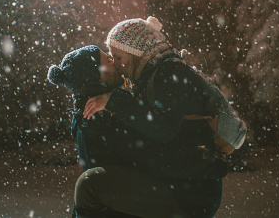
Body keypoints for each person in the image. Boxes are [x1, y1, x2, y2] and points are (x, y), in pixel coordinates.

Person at [76, 16, 245, 217]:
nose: (117, 65)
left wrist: (115, 101)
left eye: (119, 57)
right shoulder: (149, 78)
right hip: (177, 184)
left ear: (135, 51)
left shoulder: (169, 71)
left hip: (190, 194)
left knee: (90, 186)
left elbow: (164, 129)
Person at [47, 45, 191, 218]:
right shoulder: (101, 118)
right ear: (97, 74)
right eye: (107, 59)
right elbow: (153, 155)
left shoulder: (88, 113)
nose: (113, 62)